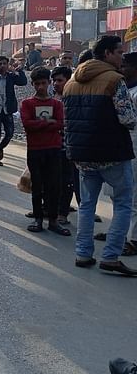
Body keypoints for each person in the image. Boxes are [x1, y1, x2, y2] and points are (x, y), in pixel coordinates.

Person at [63, 35, 137, 275]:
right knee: (124, 203)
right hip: (111, 152)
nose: (121, 57)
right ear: (107, 54)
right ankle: (111, 256)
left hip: (82, 153)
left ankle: (83, 253)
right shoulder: (115, 80)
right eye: (118, 52)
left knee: (86, 204)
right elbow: (128, 118)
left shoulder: (72, 81)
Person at [20, 67, 69, 236]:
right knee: (37, 185)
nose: (41, 87)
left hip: (53, 148)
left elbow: (61, 123)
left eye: (43, 83)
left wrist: (39, 124)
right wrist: (49, 123)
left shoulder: (57, 104)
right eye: (37, 84)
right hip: (35, 149)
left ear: (49, 83)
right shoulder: (27, 103)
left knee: (54, 186)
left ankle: (53, 219)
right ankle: (38, 218)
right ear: (33, 84)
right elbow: (27, 124)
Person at [0, 55, 27, 166]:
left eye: (4, 63)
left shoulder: (11, 77)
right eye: (0, 64)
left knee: (9, 133)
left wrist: (19, 70)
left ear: (8, 65)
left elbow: (23, 82)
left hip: (7, 109)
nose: (2, 66)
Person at [50, 66, 79, 226]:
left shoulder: (72, 98)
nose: (56, 84)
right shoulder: (52, 98)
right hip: (52, 145)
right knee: (51, 179)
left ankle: (63, 213)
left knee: (66, 181)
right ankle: (48, 208)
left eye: (59, 80)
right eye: (54, 80)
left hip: (68, 146)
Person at [120, 52, 137, 255]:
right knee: (121, 193)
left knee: (133, 195)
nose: (122, 69)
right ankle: (121, 232)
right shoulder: (124, 89)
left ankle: (133, 238)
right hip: (124, 147)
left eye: (125, 66)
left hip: (134, 145)